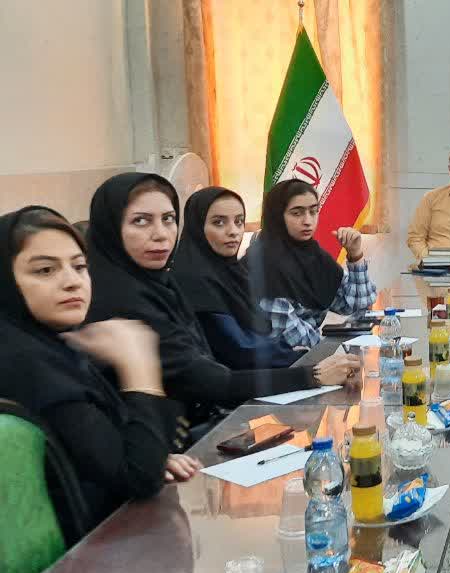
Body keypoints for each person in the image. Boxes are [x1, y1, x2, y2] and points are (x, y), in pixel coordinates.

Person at [84, 173, 359, 431]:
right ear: (111, 227)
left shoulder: (163, 286)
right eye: (141, 221)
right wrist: (311, 375)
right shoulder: (126, 300)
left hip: (199, 425)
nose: (161, 233)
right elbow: (213, 378)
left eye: (168, 219)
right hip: (169, 440)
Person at [0, 206, 199, 535]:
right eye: (45, 270)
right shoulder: (25, 362)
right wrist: (138, 368)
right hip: (81, 551)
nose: (72, 282)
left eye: (79, 266)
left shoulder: (56, 345)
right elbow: (138, 478)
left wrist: (151, 456)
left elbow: (128, 455)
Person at [172, 187, 303, 369]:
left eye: (239, 221)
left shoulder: (233, 272)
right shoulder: (193, 280)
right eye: (219, 222)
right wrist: (293, 355)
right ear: (198, 227)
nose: (233, 231)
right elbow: (239, 349)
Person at [244, 179, 377, 349]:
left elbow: (357, 304)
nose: (308, 221)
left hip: (312, 356)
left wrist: (355, 254)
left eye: (313, 211)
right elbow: (294, 339)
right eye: (297, 213)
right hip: (284, 361)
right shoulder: (263, 264)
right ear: (277, 216)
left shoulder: (314, 256)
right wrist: (335, 354)